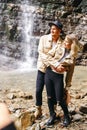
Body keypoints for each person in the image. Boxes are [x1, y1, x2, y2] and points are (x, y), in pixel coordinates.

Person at [44, 34, 79, 127]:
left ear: (72, 45)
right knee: (50, 97)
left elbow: (70, 73)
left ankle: (67, 116)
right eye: (65, 40)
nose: (64, 42)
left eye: (67, 42)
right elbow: (48, 56)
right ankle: (52, 115)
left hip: (58, 77)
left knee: (60, 98)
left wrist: (68, 86)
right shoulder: (58, 46)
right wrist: (56, 65)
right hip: (48, 73)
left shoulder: (72, 57)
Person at [34, 20, 63, 119]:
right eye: (51, 28)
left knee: (52, 93)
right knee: (38, 90)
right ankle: (38, 108)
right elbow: (41, 53)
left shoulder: (62, 42)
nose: (52, 30)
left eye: (54, 29)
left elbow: (61, 57)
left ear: (59, 31)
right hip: (42, 68)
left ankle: (53, 110)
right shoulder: (43, 38)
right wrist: (52, 64)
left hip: (53, 71)